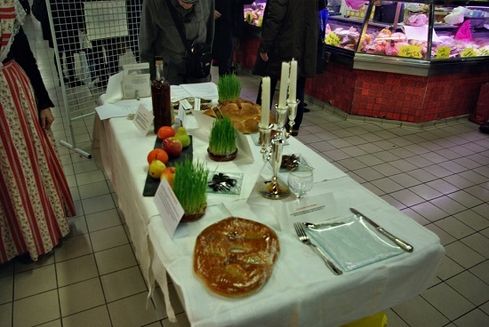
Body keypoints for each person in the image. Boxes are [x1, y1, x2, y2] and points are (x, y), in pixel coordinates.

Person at [0, 0, 76, 264]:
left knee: (22, 164)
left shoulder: (7, 5)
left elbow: (25, 55)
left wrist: (43, 101)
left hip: (11, 96)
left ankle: (36, 231)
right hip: (10, 93)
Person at [253, 0, 320, 136]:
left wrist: (265, 46)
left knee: (268, 84)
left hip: (282, 45)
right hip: (303, 44)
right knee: (297, 85)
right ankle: (293, 127)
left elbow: (275, 18)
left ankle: (260, 121)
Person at [139, 0, 215, 84]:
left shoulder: (206, 2)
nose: (189, 5)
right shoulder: (153, 3)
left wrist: (206, 61)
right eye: (185, 1)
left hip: (199, 72)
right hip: (170, 77)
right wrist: (151, 80)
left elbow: (209, 33)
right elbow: (146, 45)